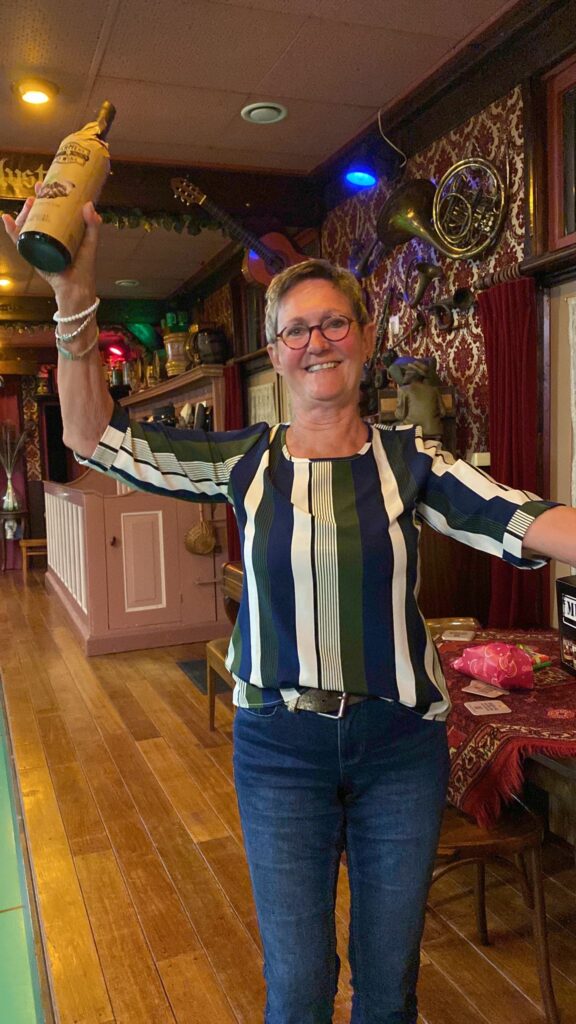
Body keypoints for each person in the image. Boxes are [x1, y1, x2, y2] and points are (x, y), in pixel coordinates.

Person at [4, 199, 576, 1024]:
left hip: (399, 746)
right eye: (296, 330)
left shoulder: (412, 461)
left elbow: (525, 517)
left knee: (390, 987)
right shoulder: (245, 459)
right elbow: (94, 437)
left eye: (334, 323)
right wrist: (72, 297)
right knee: (299, 987)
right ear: (275, 351)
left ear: (365, 337)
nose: (317, 342)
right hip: (280, 746)